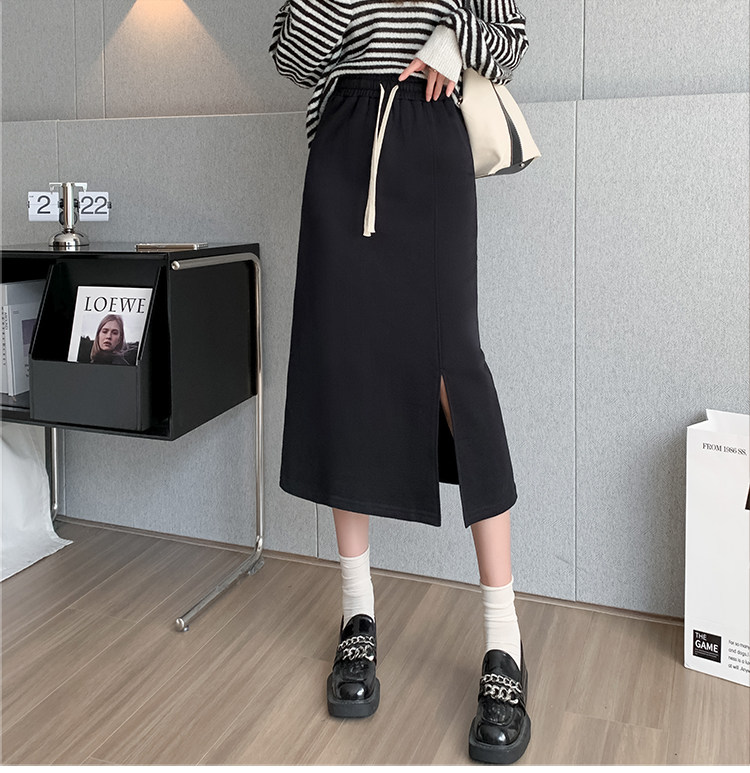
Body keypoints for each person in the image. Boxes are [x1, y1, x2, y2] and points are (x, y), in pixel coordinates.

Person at [270, 0, 530, 764]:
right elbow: (291, 54)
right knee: (346, 368)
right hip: (343, 145)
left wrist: (452, 39)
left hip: (431, 134)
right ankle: (357, 613)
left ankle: (505, 638)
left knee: (457, 370)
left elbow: (511, 41)